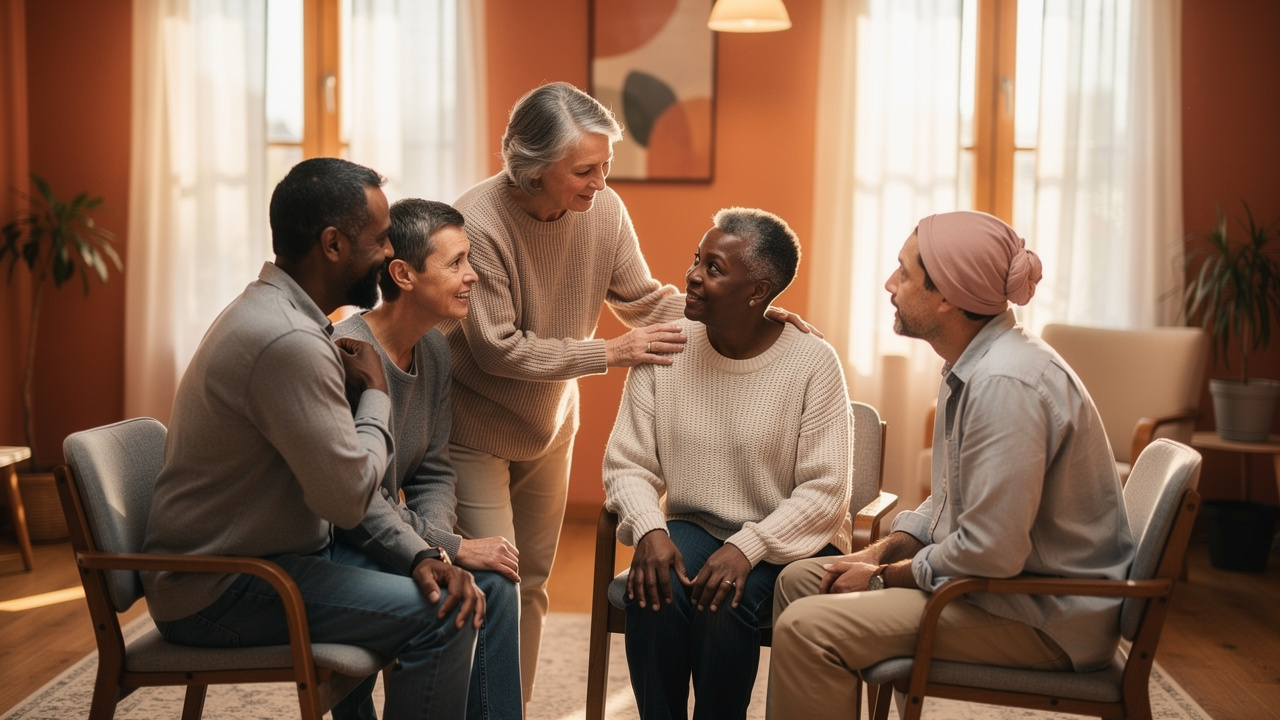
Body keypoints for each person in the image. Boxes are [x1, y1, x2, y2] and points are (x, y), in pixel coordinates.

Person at [442, 81, 816, 697]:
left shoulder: (603, 210)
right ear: (533, 170)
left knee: (533, 578)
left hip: (548, 421)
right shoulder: (479, 224)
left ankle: (514, 705)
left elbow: (645, 302)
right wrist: (609, 352)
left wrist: (755, 313)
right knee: (496, 582)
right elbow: (496, 347)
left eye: (605, 166)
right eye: (584, 169)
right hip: (476, 425)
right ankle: (480, 708)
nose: (600, 182)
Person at [141, 158, 484, 720]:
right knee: (443, 612)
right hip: (220, 587)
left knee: (443, 584)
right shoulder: (288, 341)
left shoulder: (282, 315)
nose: (385, 255)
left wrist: (422, 550)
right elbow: (347, 495)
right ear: (331, 244)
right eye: (378, 241)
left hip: (273, 558)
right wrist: (376, 393)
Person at [766, 211, 1136, 719]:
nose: (889, 283)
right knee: (801, 581)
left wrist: (884, 577)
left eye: (905, 271)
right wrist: (872, 558)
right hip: (1003, 591)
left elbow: (990, 553)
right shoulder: (971, 364)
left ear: (946, 298)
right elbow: (946, 507)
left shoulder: (1007, 385)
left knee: (809, 630)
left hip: (1044, 617)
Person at [603, 208, 852, 720]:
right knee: (653, 587)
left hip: (790, 539)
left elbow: (825, 492)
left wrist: (749, 545)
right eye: (697, 259)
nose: (693, 274)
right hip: (696, 524)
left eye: (714, 268)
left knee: (723, 601)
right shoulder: (666, 346)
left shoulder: (813, 363)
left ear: (757, 292)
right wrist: (650, 529)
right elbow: (627, 463)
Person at [331, 198, 521, 720]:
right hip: (339, 541)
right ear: (403, 274)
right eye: (456, 262)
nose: (473, 276)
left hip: (395, 535)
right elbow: (354, 503)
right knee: (450, 598)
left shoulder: (435, 349)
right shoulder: (346, 354)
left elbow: (433, 468)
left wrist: (439, 549)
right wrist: (449, 547)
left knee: (497, 585)